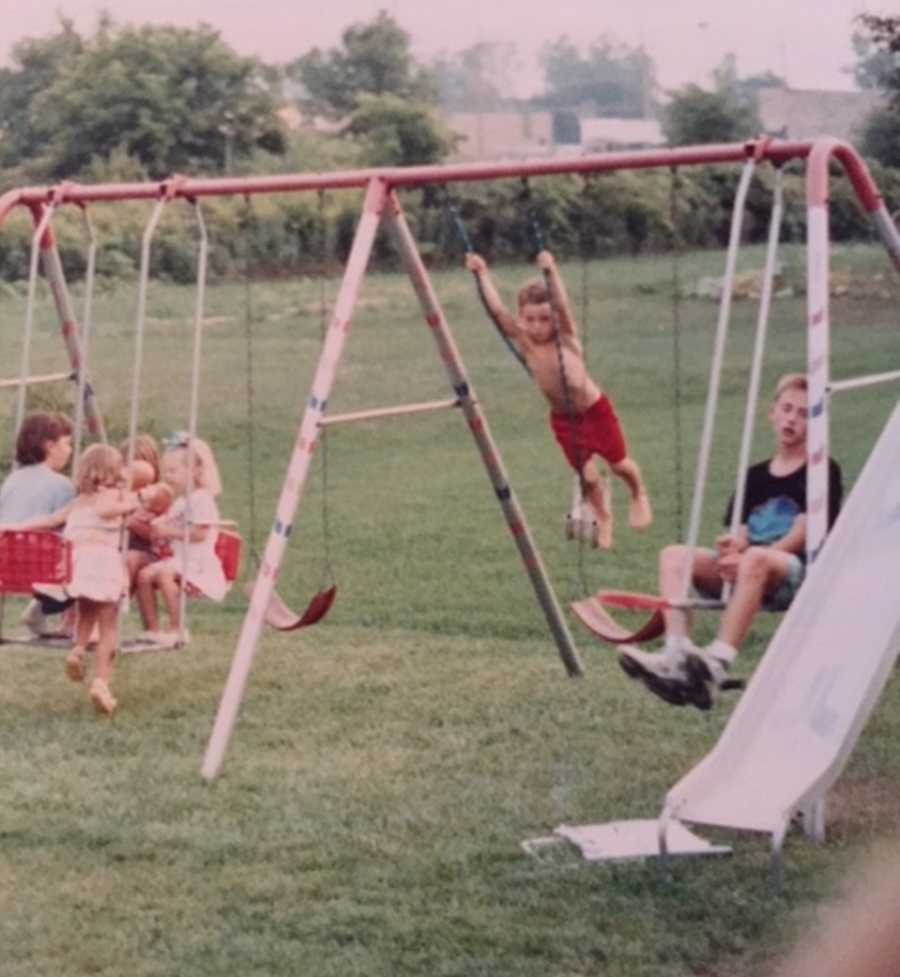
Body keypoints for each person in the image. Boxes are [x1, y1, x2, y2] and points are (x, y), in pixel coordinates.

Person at [618, 373, 843, 710]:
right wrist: (729, 549)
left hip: (793, 573)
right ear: (773, 413)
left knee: (755, 559)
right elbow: (739, 532)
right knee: (674, 556)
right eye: (787, 409)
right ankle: (676, 655)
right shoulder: (754, 475)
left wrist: (750, 555)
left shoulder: (822, 470)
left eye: (804, 413)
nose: (793, 419)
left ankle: (715, 664)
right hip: (749, 568)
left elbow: (803, 533)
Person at [465, 250, 652, 549]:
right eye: (530, 319)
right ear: (521, 318)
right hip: (564, 420)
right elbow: (497, 312)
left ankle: (637, 493)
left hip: (595, 411)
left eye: (544, 319)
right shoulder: (525, 343)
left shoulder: (566, 337)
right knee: (588, 476)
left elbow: (562, 305)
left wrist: (550, 272)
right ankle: (603, 517)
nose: (537, 326)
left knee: (618, 465)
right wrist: (481, 273)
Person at [59, 444, 142, 716]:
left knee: (86, 613)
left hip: (79, 563)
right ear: (109, 471)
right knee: (108, 626)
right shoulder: (113, 495)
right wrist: (131, 502)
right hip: (103, 562)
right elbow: (106, 511)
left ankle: (78, 651)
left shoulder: (77, 502)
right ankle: (101, 683)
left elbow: (52, 519)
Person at [135, 436, 227, 646]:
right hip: (180, 559)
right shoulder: (181, 501)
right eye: (166, 471)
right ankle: (152, 629)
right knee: (144, 575)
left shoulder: (203, 498)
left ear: (195, 471)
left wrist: (168, 531)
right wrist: (156, 525)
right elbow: (169, 524)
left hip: (198, 563)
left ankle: (177, 628)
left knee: (165, 574)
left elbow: (200, 534)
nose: (168, 476)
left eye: (174, 471)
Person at [0, 411, 75, 637]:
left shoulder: (12, 480)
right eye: (67, 444)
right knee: (85, 553)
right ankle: (61, 618)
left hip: (7, 563)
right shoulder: (63, 485)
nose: (69, 450)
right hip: (44, 566)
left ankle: (38, 612)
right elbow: (68, 528)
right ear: (50, 446)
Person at [119, 434, 172, 592]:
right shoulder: (118, 491)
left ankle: (120, 600)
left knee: (130, 559)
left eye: (141, 463)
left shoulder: (159, 495)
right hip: (116, 547)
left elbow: (159, 536)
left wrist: (133, 524)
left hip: (147, 552)